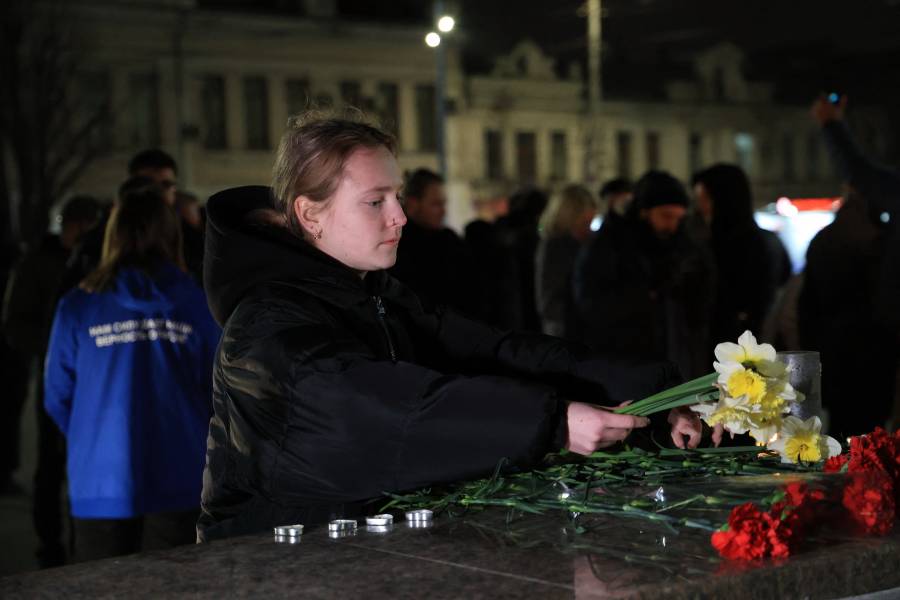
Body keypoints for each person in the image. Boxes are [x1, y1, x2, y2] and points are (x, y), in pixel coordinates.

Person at [198, 114, 704, 542]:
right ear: (311, 215)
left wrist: (654, 394)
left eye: (396, 196)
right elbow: (385, 411)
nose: (399, 216)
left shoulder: (369, 294)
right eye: (376, 202)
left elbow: (493, 351)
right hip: (273, 568)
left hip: (352, 557)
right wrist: (552, 422)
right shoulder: (266, 328)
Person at [43, 185, 220, 562]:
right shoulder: (197, 302)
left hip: (99, 483)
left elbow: (57, 395)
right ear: (171, 235)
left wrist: (91, 435)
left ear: (112, 235)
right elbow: (219, 389)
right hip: (180, 476)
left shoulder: (77, 306)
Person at [2, 195, 101, 567]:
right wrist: (57, 346)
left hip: (89, 377)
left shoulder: (91, 261)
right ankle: (50, 541)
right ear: (74, 226)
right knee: (50, 461)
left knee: (78, 459)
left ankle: (75, 534)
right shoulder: (37, 264)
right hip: (56, 372)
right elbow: (15, 324)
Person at [574, 170, 714, 380]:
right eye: (666, 216)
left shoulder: (682, 247)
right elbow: (592, 306)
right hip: (624, 365)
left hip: (672, 364)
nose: (672, 226)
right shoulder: (608, 246)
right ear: (643, 211)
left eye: (678, 218)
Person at [691, 164, 791, 345]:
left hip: (735, 353)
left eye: (703, 198)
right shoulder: (769, 241)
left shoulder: (724, 248)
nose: (700, 206)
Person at [390, 168, 475, 313]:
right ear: (412, 204)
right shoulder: (395, 245)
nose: (443, 211)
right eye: (436, 204)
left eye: (444, 204)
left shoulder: (449, 241)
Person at [535, 184, 597, 339]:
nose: (588, 229)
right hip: (565, 339)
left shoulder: (587, 245)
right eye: (584, 223)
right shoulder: (554, 248)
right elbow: (549, 303)